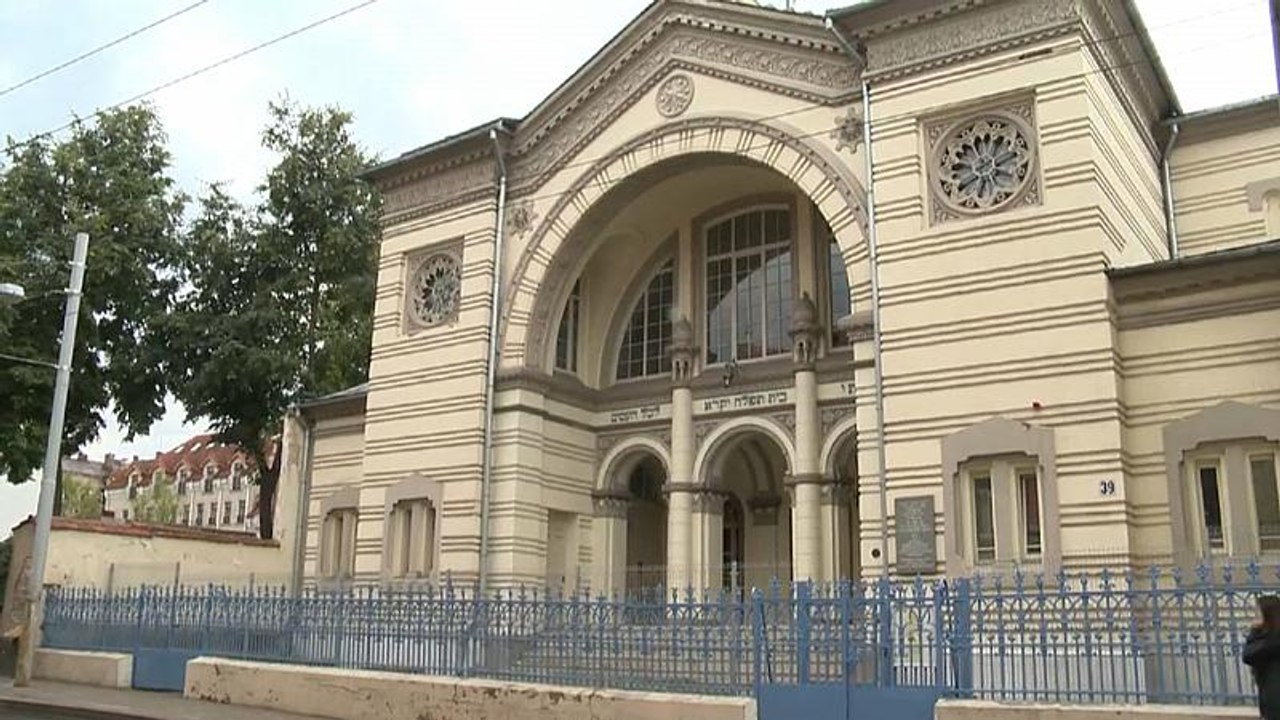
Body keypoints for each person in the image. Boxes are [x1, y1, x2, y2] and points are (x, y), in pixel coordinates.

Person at [1244, 595, 1280, 719]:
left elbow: (1249, 655)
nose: (1255, 615)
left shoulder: (1274, 640)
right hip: (1268, 694)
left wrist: (1254, 631)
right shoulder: (1265, 635)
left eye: (1258, 612)